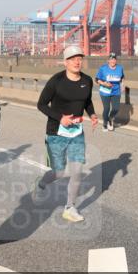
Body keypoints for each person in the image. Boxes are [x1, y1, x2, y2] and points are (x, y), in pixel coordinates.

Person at [34, 45, 98, 223]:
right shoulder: (56, 81)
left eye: (79, 58)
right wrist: (60, 117)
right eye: (72, 59)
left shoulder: (87, 80)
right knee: (59, 173)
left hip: (77, 132)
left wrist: (92, 114)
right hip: (56, 132)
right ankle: (41, 183)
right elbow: (41, 105)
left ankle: (70, 207)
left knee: (77, 171)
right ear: (65, 62)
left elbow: (87, 100)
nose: (77, 62)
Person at [95, 53, 125, 131]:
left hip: (116, 91)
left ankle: (110, 120)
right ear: (108, 60)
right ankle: (105, 124)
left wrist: (122, 86)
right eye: (111, 59)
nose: (113, 61)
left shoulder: (120, 68)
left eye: (114, 59)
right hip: (105, 91)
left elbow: (122, 78)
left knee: (116, 109)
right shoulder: (103, 68)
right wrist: (104, 83)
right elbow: (97, 79)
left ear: (116, 60)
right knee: (107, 108)